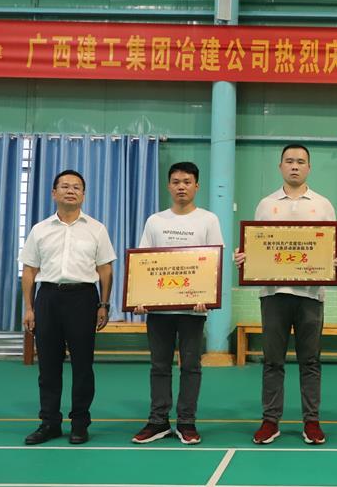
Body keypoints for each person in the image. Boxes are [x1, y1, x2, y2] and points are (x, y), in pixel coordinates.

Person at [234, 144, 337, 445]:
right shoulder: (265, 205)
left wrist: (336, 262)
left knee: (311, 361)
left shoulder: (323, 205)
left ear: (309, 167)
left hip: (311, 295)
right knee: (273, 361)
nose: (295, 166)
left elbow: (332, 248)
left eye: (300, 161)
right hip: (274, 294)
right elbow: (255, 245)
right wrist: (245, 259)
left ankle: (312, 421)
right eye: (289, 161)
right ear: (280, 166)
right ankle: (270, 421)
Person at [130, 162, 224, 445]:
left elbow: (215, 262)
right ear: (168, 186)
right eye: (176, 181)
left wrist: (206, 297)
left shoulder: (208, 220)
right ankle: (158, 421)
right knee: (159, 365)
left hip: (193, 310)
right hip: (159, 310)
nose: (181, 186)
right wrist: (140, 298)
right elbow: (143, 262)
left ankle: (186, 422)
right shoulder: (155, 221)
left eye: (187, 181)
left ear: (197, 186)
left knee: (191, 366)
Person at [20, 170, 116, 445]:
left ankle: (80, 424)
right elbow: (29, 270)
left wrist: (103, 304)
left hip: (83, 298)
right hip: (48, 297)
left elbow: (105, 269)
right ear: (54, 193)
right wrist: (29, 308)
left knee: (83, 366)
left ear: (83, 195)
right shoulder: (40, 229)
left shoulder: (96, 229)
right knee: (48, 366)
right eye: (64, 186)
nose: (70, 190)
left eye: (76, 187)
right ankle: (49, 423)